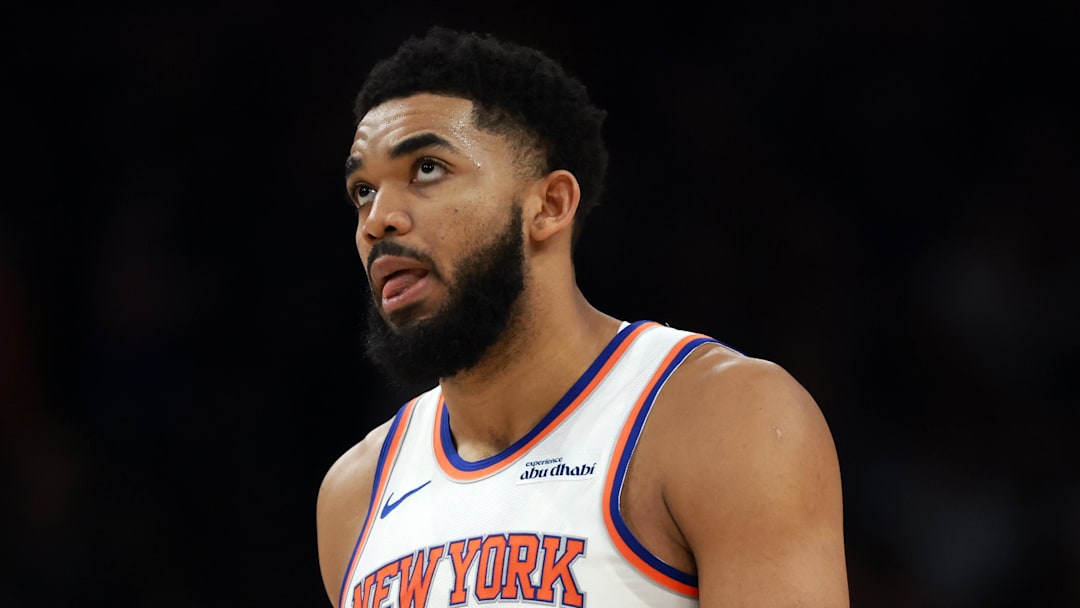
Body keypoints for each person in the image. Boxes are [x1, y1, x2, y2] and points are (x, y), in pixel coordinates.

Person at [316, 25, 849, 608]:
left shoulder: (723, 418)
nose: (378, 220)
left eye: (426, 169)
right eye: (362, 191)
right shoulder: (354, 495)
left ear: (550, 205)